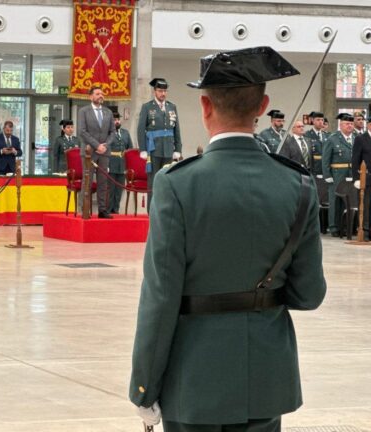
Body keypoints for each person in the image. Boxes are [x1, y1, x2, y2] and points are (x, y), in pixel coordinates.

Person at [130, 46, 325, 432]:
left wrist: (144, 386)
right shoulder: (298, 184)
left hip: (194, 379)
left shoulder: (177, 184)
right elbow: (309, 294)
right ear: (263, 105)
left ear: (205, 106)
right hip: (267, 377)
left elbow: (161, 297)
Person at [137, 78, 182, 211]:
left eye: (165, 91)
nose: (163, 93)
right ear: (154, 91)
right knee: (153, 181)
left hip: (168, 149)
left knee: (167, 181)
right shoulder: (147, 107)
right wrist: (143, 149)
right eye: (160, 91)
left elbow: (176, 129)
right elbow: (140, 129)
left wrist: (178, 148)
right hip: (154, 149)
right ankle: (152, 211)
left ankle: (165, 209)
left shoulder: (171, 106)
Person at [78, 86, 116, 218]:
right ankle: (84, 208)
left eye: (102, 93)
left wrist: (106, 144)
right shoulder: (84, 111)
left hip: (104, 152)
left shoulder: (108, 112)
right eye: (97, 94)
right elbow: (82, 131)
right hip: (89, 152)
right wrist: (97, 145)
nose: (101, 96)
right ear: (91, 97)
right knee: (87, 180)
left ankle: (102, 210)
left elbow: (113, 132)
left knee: (103, 181)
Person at [322, 113, 355, 237]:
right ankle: (334, 227)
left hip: (351, 174)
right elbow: (325, 159)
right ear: (341, 125)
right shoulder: (332, 138)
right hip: (336, 174)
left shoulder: (356, 138)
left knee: (349, 201)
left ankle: (346, 226)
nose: (350, 126)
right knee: (335, 201)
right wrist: (327, 175)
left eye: (351, 124)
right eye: (347, 123)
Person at [107, 112, 133, 214]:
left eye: (118, 119)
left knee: (119, 189)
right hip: (111, 163)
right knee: (111, 189)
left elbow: (130, 149)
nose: (116, 121)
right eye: (114, 120)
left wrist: (129, 166)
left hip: (123, 164)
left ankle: (116, 210)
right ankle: (108, 210)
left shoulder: (126, 133)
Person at [352, 113, 371, 241]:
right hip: (366, 178)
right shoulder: (361, 139)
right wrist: (356, 178)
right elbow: (355, 160)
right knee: (366, 205)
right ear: (369, 125)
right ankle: (364, 230)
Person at [304, 111, 326, 177]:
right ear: (313, 121)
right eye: (318, 120)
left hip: (324, 168)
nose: (320, 122)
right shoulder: (307, 135)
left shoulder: (326, 135)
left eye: (322, 120)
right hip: (313, 168)